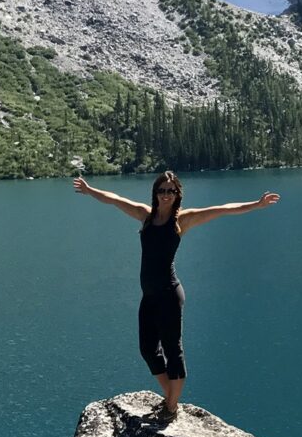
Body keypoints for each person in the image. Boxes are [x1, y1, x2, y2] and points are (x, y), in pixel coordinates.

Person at [73, 171, 280, 417]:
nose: (166, 195)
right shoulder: (146, 216)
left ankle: (171, 406)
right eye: (161, 190)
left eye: (171, 190)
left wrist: (256, 205)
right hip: (148, 296)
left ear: (177, 194)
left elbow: (223, 209)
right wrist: (89, 190)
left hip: (170, 294)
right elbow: (115, 199)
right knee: (148, 349)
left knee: (173, 350)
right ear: (155, 193)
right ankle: (171, 397)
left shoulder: (183, 220)